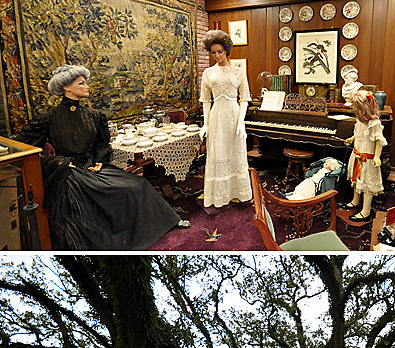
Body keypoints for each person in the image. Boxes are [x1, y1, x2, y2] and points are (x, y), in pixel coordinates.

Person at [13, 64, 186, 250]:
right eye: (81, 83)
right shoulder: (49, 118)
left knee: (138, 184)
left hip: (91, 167)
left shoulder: (94, 116)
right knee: (91, 204)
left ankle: (161, 223)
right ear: (66, 88)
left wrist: (98, 162)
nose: (87, 87)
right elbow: (25, 148)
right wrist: (61, 163)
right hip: (69, 175)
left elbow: (101, 145)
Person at [199, 30, 252, 208]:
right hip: (216, 117)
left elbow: (244, 99)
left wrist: (241, 123)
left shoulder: (239, 72)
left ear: (227, 50)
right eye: (213, 52)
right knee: (218, 153)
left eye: (220, 51)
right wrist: (205, 124)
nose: (217, 56)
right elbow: (206, 101)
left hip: (234, 116)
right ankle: (220, 195)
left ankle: (238, 191)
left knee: (235, 152)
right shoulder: (207, 73)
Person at [340, 90, 387, 224]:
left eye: (356, 107)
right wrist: (352, 138)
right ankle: (355, 201)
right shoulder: (360, 121)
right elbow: (358, 133)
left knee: (367, 186)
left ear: (363, 108)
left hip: (367, 159)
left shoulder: (374, 123)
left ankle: (366, 211)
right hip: (357, 155)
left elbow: (379, 141)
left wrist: (377, 157)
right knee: (357, 180)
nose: (354, 110)